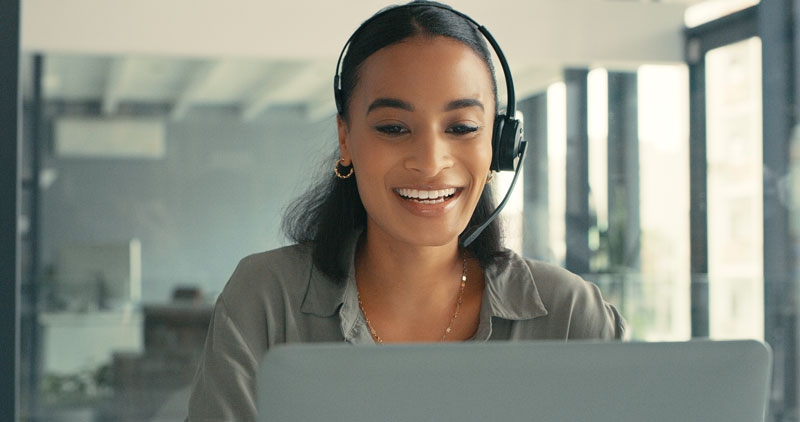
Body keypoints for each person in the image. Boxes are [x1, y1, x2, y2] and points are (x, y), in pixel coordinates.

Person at [187, 1, 626, 420]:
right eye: (394, 128)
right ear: (346, 139)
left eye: (462, 128)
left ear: (498, 145)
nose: (431, 162)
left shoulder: (569, 316)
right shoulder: (266, 300)